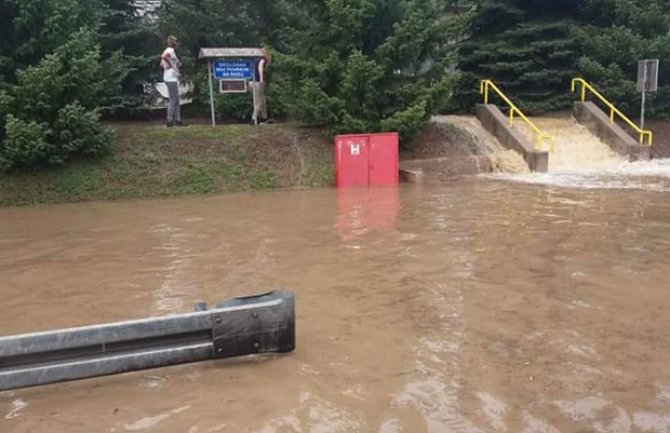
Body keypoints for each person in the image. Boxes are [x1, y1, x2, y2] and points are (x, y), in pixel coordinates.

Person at [161, 36, 186, 127]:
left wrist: (176, 64)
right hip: (170, 78)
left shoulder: (169, 51)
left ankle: (178, 119)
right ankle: (170, 120)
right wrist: (170, 65)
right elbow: (163, 57)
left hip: (172, 78)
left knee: (176, 100)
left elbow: (162, 64)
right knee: (173, 99)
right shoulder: (170, 51)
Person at [250, 49, 271, 125]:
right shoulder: (262, 59)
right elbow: (260, 68)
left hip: (251, 82)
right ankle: (253, 119)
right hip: (257, 82)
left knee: (262, 100)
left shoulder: (255, 59)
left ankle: (264, 118)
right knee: (259, 102)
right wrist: (261, 80)